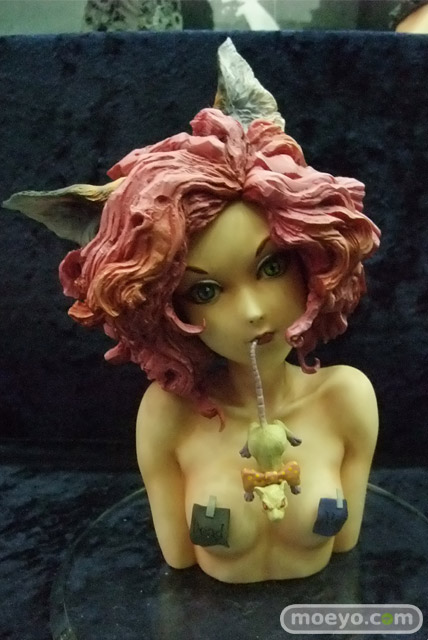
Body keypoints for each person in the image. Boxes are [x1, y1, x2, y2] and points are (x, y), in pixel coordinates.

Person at [3, 41, 380, 583]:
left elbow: (347, 543)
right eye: (204, 291)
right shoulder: (169, 416)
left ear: (312, 259)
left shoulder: (347, 399)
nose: (252, 312)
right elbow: (179, 557)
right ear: (164, 309)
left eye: (272, 267)